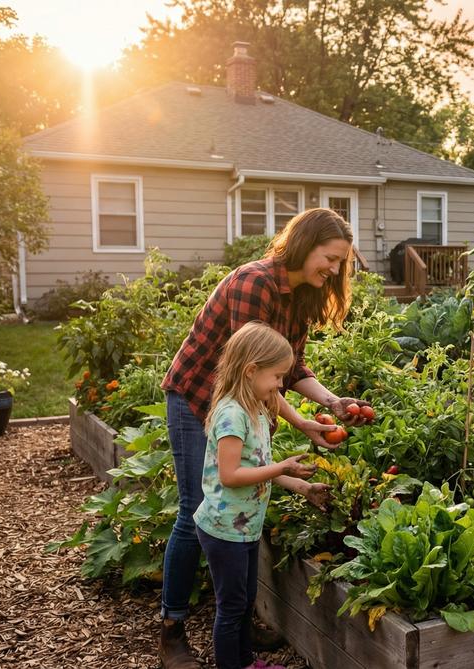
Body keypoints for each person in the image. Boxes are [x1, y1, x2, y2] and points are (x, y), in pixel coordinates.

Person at [158, 208, 372, 668]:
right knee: (195, 507)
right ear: (305, 244)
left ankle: (234, 619)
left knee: (234, 514)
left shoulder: (302, 295)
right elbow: (251, 371)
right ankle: (172, 631)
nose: (334, 271)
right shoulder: (255, 283)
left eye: (340, 264)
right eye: (330, 259)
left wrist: (330, 406)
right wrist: (298, 424)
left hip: (242, 403)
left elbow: (286, 368)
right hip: (198, 397)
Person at [195, 321, 319, 669]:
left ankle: (247, 662)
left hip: (245, 527)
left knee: (246, 600)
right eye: (277, 376)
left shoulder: (257, 410)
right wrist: (282, 468)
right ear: (251, 371)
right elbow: (231, 475)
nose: (281, 384)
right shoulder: (232, 416)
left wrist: (302, 487)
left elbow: (259, 467)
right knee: (231, 609)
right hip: (223, 530)